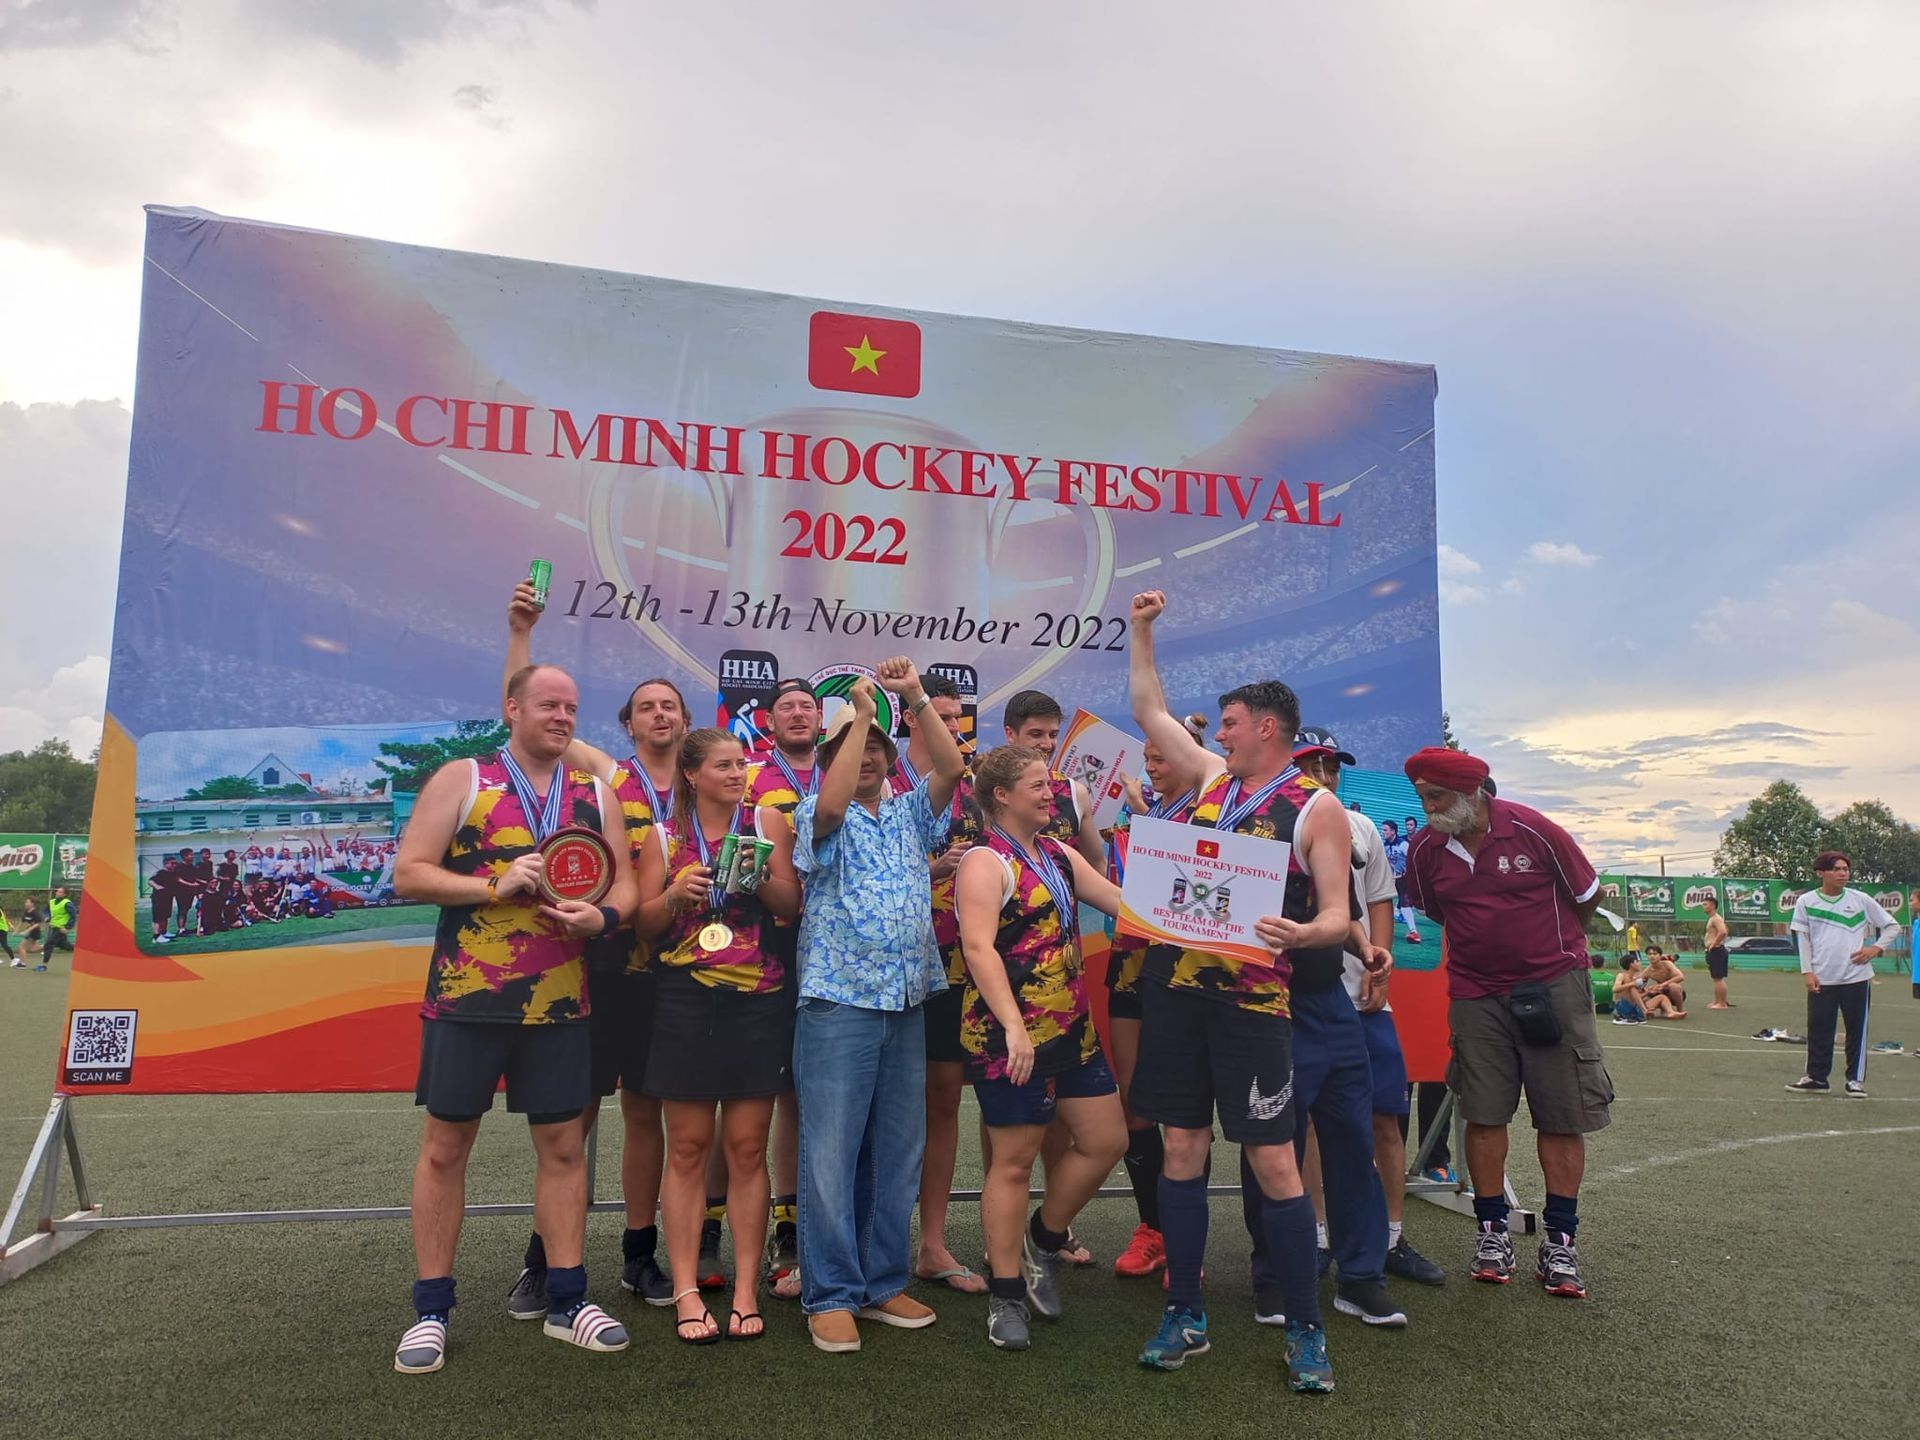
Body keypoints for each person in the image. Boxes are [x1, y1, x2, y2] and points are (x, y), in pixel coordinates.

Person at [1125, 590, 1351, 1394]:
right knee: (1182, 1150)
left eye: (1227, 722)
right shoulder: (1212, 781)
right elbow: (1147, 706)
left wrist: (1302, 935)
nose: (1214, 733)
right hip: (1176, 993)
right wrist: (1141, 630)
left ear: (1267, 728)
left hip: (1256, 1007)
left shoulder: (1316, 808)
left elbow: (1335, 916)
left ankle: (1305, 1328)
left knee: (1275, 1164)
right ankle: (1185, 1313)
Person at [391, 662, 638, 1374]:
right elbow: (410, 872)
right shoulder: (462, 778)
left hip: (562, 999)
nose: (563, 717)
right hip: (468, 997)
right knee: (445, 1148)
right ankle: (431, 1311)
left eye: (572, 707)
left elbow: (621, 876)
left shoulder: (593, 792)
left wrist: (605, 914)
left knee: (564, 1149)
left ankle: (567, 1300)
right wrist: (491, 885)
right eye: (549, 705)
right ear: (512, 708)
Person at [504, 581, 684, 1316]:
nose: (660, 713)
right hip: (606, 967)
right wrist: (521, 632)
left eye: (670, 705)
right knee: (575, 1114)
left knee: (649, 1116)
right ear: (630, 723)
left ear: (685, 721)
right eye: (647, 706)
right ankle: (544, 1260)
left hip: (679, 974)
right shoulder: (610, 775)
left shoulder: (712, 782)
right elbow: (518, 705)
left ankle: (638, 1256)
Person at [791, 660, 965, 1354]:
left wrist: (915, 699)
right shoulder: (816, 813)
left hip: (906, 1002)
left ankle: (882, 1280)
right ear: (831, 760)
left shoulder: (908, 813)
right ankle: (829, 1292)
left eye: (874, 753)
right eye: (847, 753)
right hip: (838, 1004)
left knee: (897, 1150)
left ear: (892, 762)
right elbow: (830, 808)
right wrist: (861, 716)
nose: (863, 760)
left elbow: (951, 769)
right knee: (831, 1154)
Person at [1402, 746, 1611, 1301]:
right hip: (1474, 993)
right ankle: (1493, 1232)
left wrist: (1548, 950)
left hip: (1554, 987)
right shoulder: (1426, 848)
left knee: (1562, 1113)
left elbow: (1586, 897)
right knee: (1483, 1110)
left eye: (1437, 796)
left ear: (1473, 793)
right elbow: (1434, 909)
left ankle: (1560, 1241)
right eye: (1422, 797)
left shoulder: (1534, 830)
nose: (1427, 808)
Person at [956, 744, 1130, 1349]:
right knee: (1012, 1162)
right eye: (1037, 782)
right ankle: (1006, 1297)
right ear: (1001, 795)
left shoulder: (1056, 851)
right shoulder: (983, 861)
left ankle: (1041, 1241)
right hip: (1013, 1036)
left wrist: (1204, 914)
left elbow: (1118, 905)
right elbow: (977, 949)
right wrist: (1011, 1026)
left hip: (1073, 1032)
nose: (1050, 789)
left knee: (1108, 1140)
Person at [635, 727, 802, 1343]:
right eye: (725, 766)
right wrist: (675, 896)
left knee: (747, 1150)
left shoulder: (768, 823)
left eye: (742, 765)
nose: (738, 774)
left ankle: (745, 1289)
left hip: (758, 1002)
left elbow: (793, 903)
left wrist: (755, 876)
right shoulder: (660, 835)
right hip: (683, 1003)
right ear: (692, 774)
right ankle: (684, 1291)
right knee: (686, 1149)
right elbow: (643, 925)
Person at [1292, 727, 1446, 1291]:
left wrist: (1383, 971)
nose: (1325, 776)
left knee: (1387, 1116)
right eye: (1313, 765)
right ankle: (1317, 1237)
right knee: (1305, 1121)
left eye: (1332, 766)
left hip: (1363, 998)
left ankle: (1390, 1237)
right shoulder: (1275, 819)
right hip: (1302, 996)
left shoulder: (1359, 826)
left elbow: (1381, 898)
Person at [888, 671, 990, 1297]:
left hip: (956, 970)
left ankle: (931, 1244)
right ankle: (869, 1244)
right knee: (877, 1108)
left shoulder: (977, 788)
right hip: (887, 970)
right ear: (908, 719)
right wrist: (931, 868)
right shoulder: (881, 778)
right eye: (936, 715)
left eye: (956, 719)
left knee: (944, 1102)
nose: (950, 727)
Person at [1104, 747, 1203, 1280]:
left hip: (1186, 971)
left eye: (1163, 757)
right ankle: (1154, 1229)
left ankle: (1187, 1240)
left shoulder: (1213, 812)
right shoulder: (1129, 814)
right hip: (1130, 963)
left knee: (1185, 1107)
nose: (1153, 766)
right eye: (1149, 757)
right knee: (1132, 1097)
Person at [744, 676, 823, 1302]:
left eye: (807, 706)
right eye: (786, 707)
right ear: (769, 720)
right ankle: (785, 1224)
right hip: (772, 947)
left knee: (815, 1093)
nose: (798, 714)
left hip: (841, 950)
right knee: (770, 1096)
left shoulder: (848, 771)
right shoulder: (747, 781)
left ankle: (829, 1228)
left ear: (822, 719)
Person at [1785, 852, 1899, 1099]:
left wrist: (1875, 948)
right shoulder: (1807, 901)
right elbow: (1802, 939)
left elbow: (1892, 926)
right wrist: (1807, 972)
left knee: (1857, 1030)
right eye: (1836, 869)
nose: (1842, 873)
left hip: (1856, 978)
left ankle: (1855, 1081)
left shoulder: (1861, 899)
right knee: (1819, 1029)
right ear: (1821, 873)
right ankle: (1817, 1078)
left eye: (1845, 869)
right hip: (1821, 977)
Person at [1701, 896, 1732, 1009]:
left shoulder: (1716, 918)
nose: (1703, 907)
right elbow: (1725, 930)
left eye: (1705, 904)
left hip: (1717, 951)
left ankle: (1722, 1003)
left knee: (1718, 978)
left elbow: (1723, 932)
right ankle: (1717, 1001)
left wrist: (1713, 944)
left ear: (1713, 905)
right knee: (1715, 978)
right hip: (1714, 951)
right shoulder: (1713, 918)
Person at [1642, 948, 1687, 1018]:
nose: (1652, 956)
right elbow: (1638, 984)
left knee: (1673, 987)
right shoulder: (1648, 970)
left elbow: (1680, 977)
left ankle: (1679, 1011)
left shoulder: (1668, 964)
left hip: (1676, 993)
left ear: (1660, 956)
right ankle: (1660, 1010)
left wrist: (1663, 984)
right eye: (1649, 954)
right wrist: (1649, 990)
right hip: (1660, 993)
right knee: (1645, 999)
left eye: (1654, 954)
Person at [1610, 957, 1648, 1024]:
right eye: (1637, 961)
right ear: (1631, 964)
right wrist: (1632, 984)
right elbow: (1615, 989)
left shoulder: (1636, 978)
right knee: (1632, 987)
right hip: (1622, 1004)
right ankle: (1621, 1016)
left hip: (1633, 1005)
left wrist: (1649, 991)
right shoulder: (1621, 975)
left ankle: (1642, 1010)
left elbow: (1637, 994)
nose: (1640, 964)